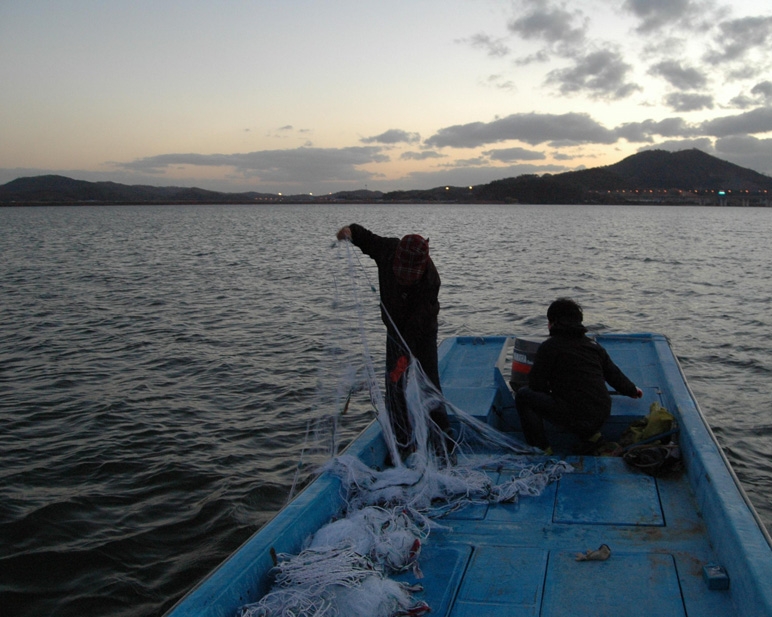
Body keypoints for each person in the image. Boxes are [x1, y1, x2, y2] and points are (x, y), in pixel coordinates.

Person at [336, 224, 452, 461]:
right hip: (394, 329)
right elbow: (364, 236)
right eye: (400, 274)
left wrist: (403, 360)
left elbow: (414, 327)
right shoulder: (387, 249)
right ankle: (402, 439)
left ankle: (442, 438)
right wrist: (348, 232)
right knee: (394, 386)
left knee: (429, 381)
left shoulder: (430, 281)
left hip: (422, 331)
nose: (403, 280)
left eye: (408, 277)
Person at [515, 298, 643, 454]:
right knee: (579, 402)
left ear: (553, 323)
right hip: (601, 414)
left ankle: (541, 448)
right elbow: (613, 374)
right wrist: (632, 390)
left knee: (523, 396)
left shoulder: (549, 346)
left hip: (576, 417)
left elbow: (536, 385)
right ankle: (592, 437)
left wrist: (550, 387)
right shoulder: (593, 346)